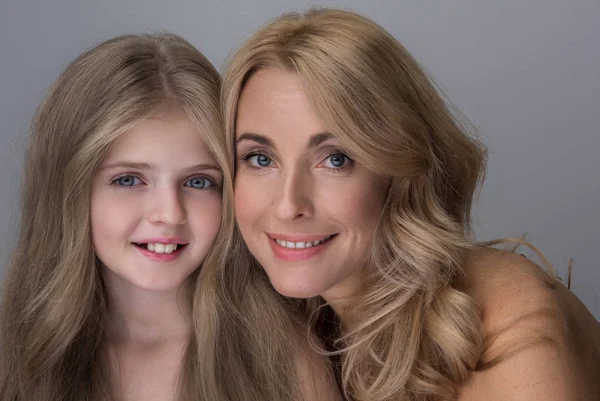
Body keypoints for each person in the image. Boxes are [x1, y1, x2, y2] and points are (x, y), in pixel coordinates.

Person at [222, 8, 600, 401]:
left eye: (336, 159)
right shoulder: (304, 327)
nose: (288, 205)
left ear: (399, 173)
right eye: (260, 159)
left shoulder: (506, 324)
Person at [0, 33, 339, 401]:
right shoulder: (15, 356)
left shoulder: (282, 357)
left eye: (198, 181)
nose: (169, 213)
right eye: (128, 180)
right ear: (69, 191)